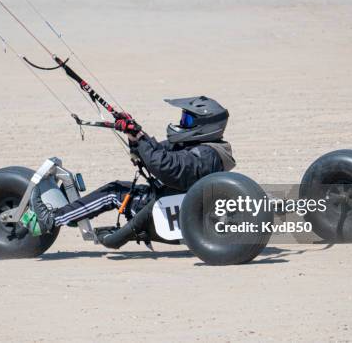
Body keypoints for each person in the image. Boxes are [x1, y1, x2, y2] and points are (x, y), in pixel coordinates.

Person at [21, 96, 236, 248]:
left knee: (113, 193)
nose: (182, 123)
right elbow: (161, 152)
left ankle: (51, 220)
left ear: (206, 127)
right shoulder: (203, 148)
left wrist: (141, 140)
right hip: (170, 200)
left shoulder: (206, 154)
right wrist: (136, 135)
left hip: (168, 207)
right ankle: (71, 214)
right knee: (118, 189)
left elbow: (168, 168)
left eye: (187, 120)